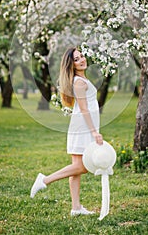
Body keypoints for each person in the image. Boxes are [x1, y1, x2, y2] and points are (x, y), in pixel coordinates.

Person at [30, 47, 103, 216]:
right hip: (82, 128)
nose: (82, 60)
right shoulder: (78, 82)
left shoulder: (81, 80)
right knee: (82, 167)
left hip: (81, 126)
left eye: (82, 56)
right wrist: (94, 132)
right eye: (77, 59)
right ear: (72, 64)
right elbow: (84, 109)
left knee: (76, 167)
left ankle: (76, 208)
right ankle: (44, 180)